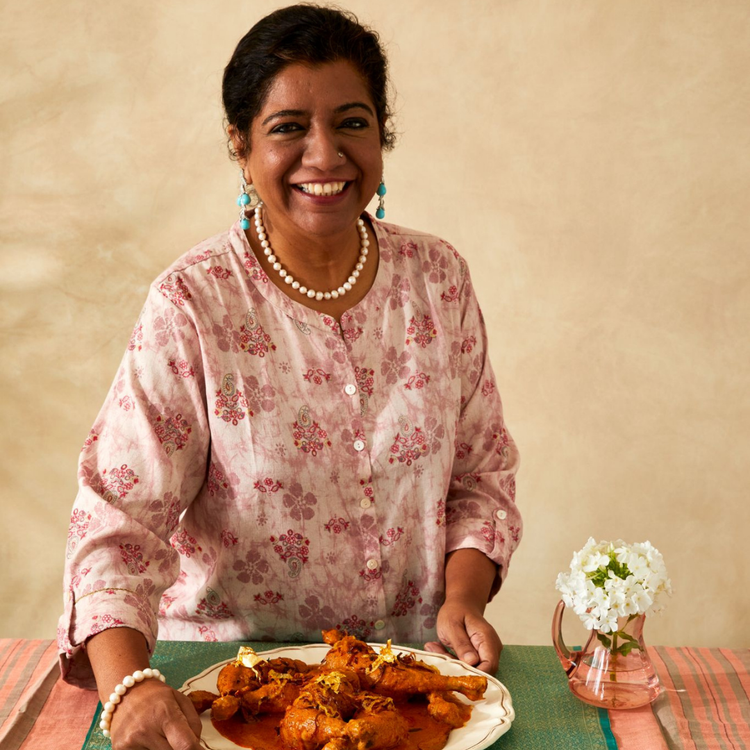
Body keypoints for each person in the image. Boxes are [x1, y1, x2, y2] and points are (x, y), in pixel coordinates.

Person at [58, 5, 521, 749]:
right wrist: (131, 685)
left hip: (403, 686)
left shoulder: (437, 279)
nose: (325, 154)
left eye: (351, 123)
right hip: (229, 694)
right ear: (241, 146)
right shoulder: (193, 304)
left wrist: (463, 598)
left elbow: (480, 473)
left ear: (382, 135)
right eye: (288, 128)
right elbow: (117, 522)